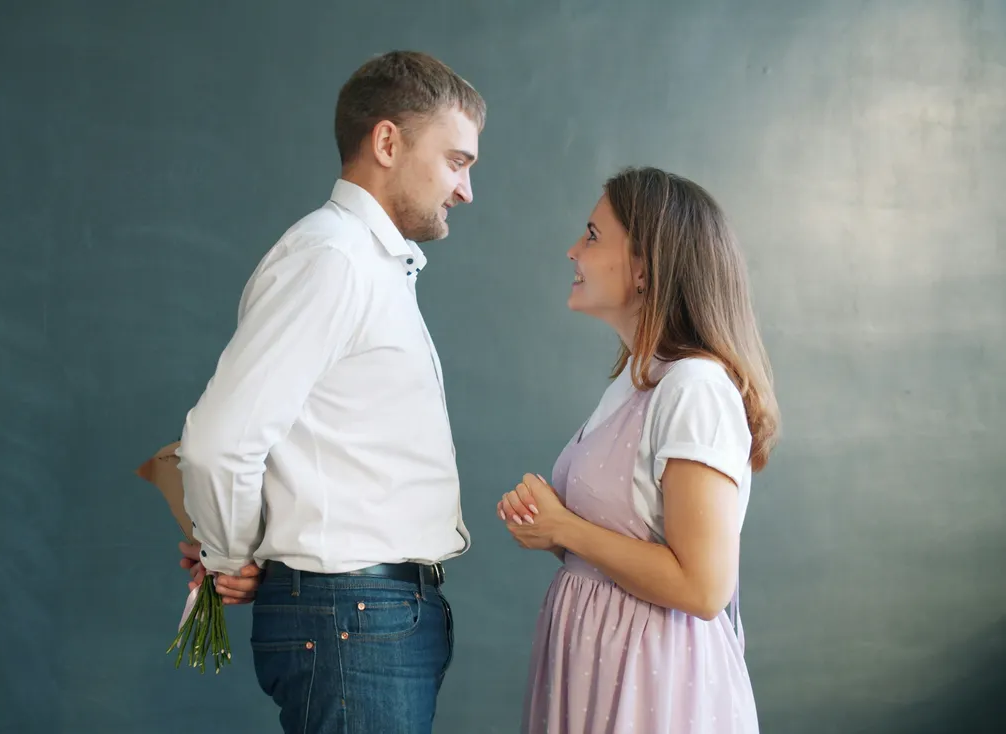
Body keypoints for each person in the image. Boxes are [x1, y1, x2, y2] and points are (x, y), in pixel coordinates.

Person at [175, 50, 485, 733]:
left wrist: (240, 545)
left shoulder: (366, 264)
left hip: (366, 619)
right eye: (457, 161)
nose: (465, 190)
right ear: (386, 142)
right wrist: (231, 557)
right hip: (354, 618)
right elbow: (219, 444)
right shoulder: (334, 260)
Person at [496, 167, 780, 733]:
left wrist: (565, 530)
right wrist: (548, 526)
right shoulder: (638, 379)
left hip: (655, 682)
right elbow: (632, 541)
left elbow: (702, 587)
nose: (573, 250)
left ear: (646, 265)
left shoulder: (694, 388)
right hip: (603, 665)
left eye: (594, 235)